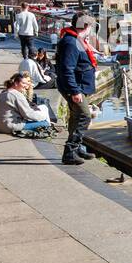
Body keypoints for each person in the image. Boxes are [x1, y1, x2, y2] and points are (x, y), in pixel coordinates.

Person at [55, 12, 98, 166]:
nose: (91, 29)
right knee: (85, 116)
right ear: (85, 26)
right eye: (90, 26)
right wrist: (74, 90)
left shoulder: (76, 40)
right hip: (74, 87)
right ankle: (70, 152)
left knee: (75, 116)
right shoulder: (71, 43)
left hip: (78, 85)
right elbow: (67, 68)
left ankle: (77, 148)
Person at [0, 73, 53, 137]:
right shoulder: (16, 95)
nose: (26, 86)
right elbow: (27, 114)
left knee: (40, 117)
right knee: (46, 123)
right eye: (23, 83)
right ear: (16, 83)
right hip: (9, 127)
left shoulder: (4, 92)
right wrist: (43, 117)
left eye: (26, 83)